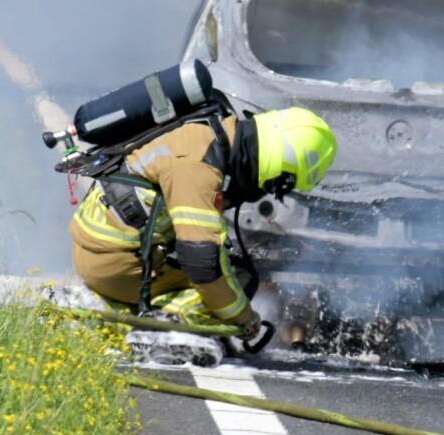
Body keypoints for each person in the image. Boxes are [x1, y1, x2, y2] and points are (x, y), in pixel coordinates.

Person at [70, 107, 337, 338]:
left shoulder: (213, 132)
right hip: (115, 265)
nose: (267, 191)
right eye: (276, 184)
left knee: (231, 273)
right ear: (279, 163)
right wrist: (245, 319)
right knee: (238, 281)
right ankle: (161, 328)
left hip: (106, 252)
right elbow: (203, 265)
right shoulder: (200, 167)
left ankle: (110, 307)